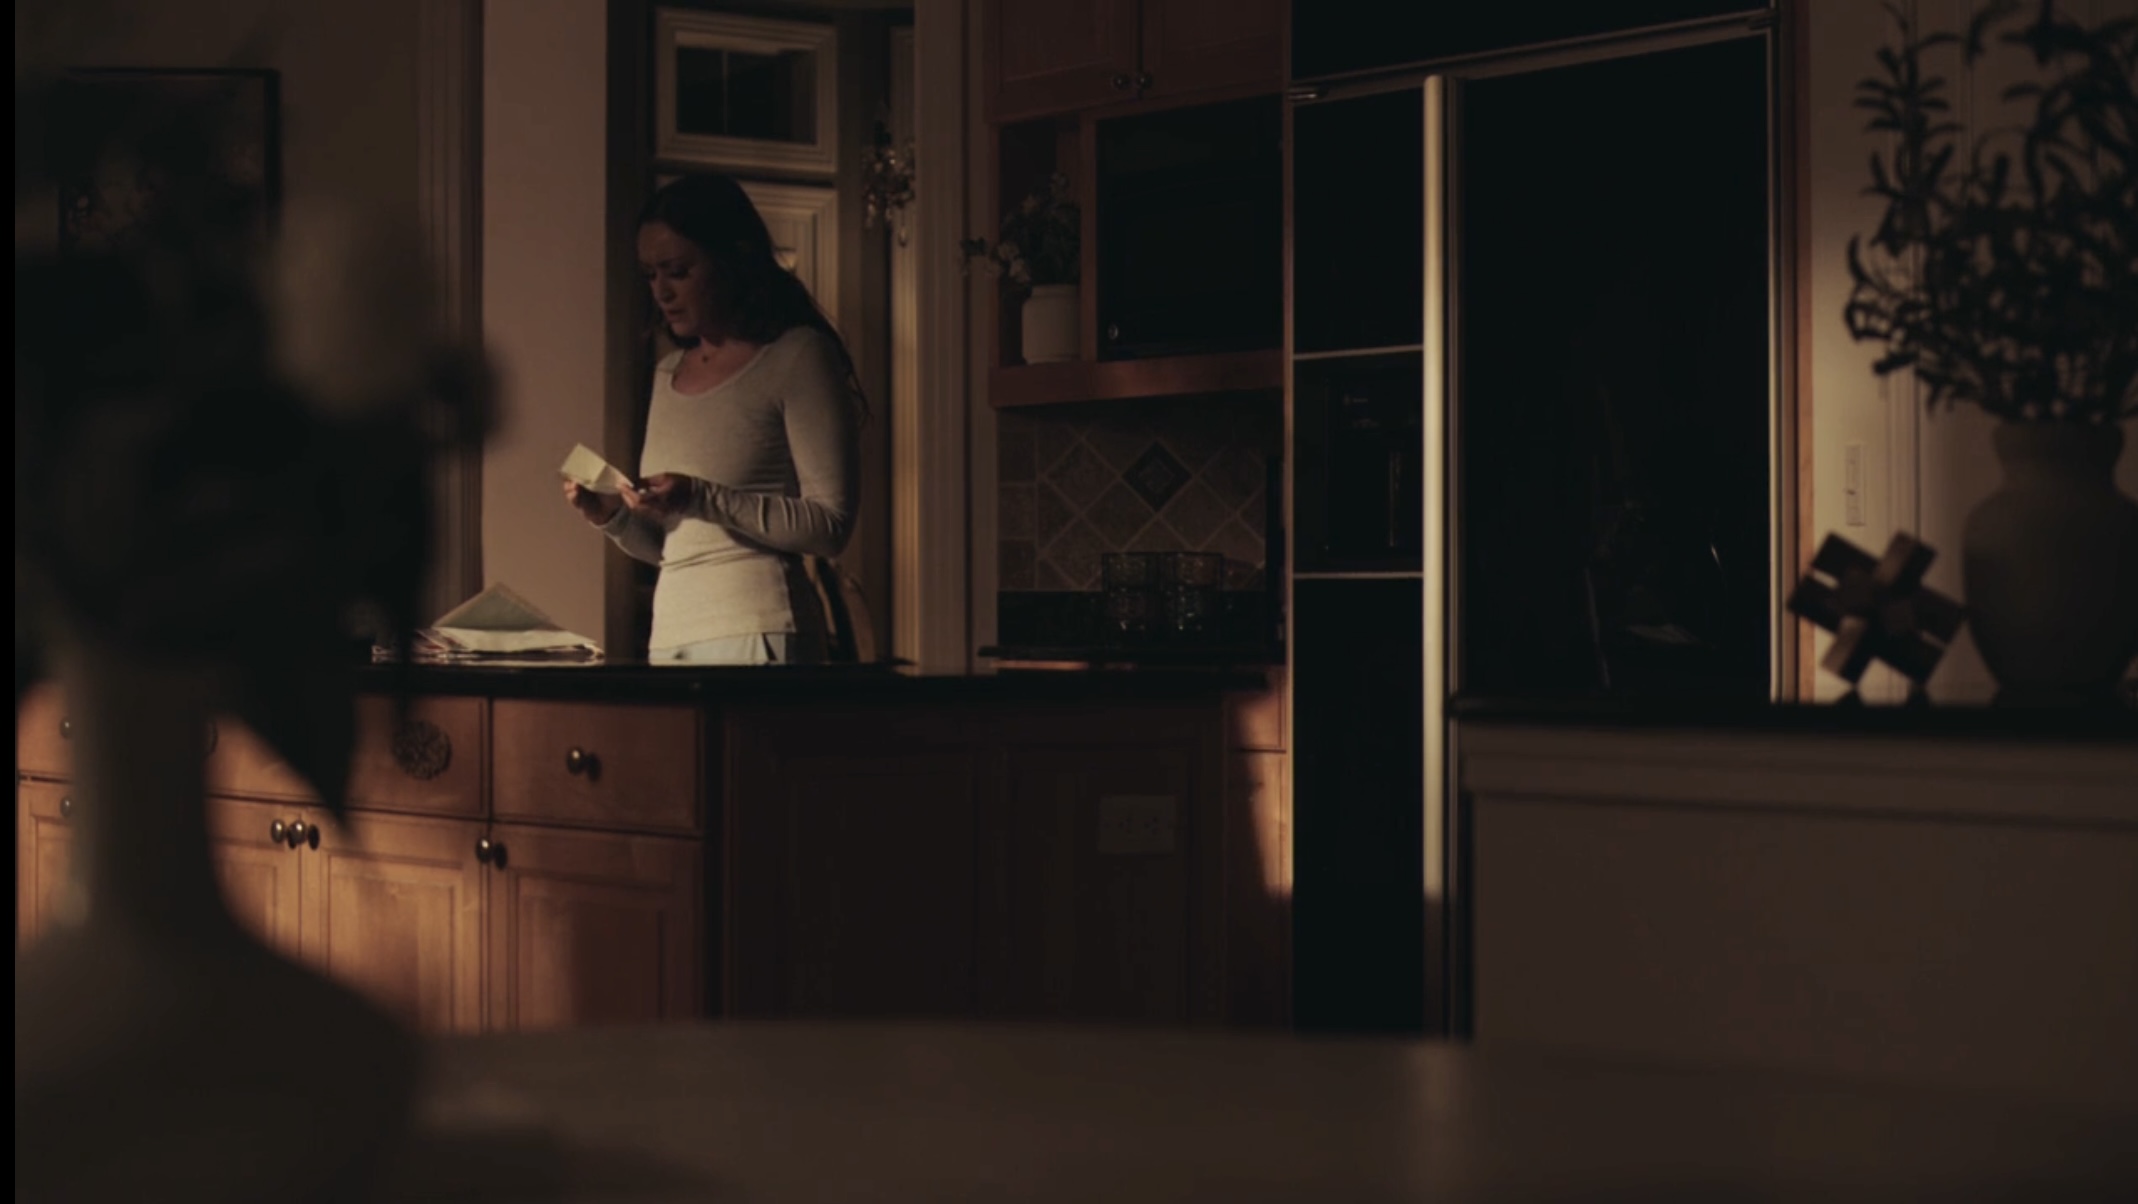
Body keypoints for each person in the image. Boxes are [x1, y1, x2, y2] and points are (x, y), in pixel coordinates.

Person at [564, 173, 864, 665]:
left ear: (730, 262)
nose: (661, 291)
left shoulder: (796, 357)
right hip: (672, 637)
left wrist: (703, 496)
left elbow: (830, 525)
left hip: (761, 631)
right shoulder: (666, 375)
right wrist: (612, 517)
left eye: (677, 271)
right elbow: (675, 547)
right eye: (649, 275)